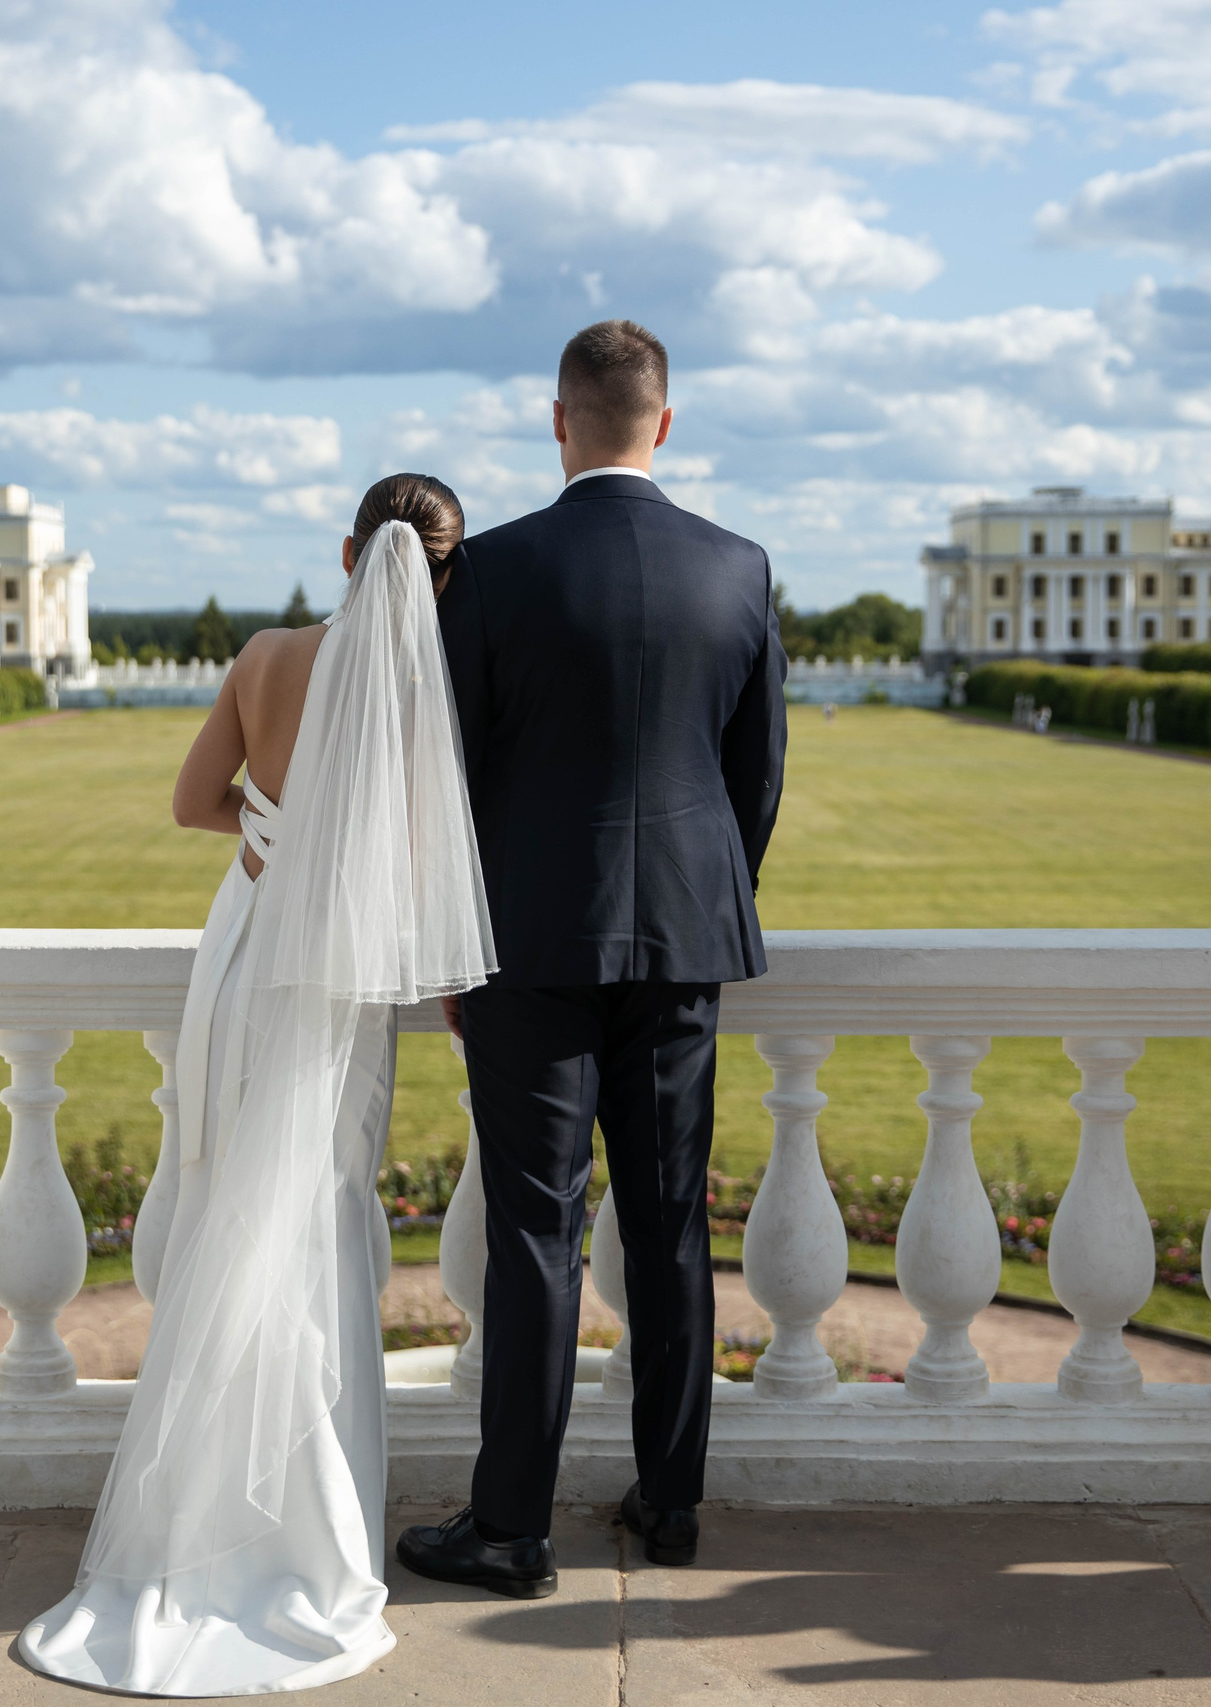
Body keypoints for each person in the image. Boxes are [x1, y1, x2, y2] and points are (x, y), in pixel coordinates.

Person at [16, 476, 495, 1696]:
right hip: (335, 983)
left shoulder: (269, 652)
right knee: (320, 1221)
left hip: (241, 955)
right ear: (444, 573)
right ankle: (299, 1519)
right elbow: (428, 873)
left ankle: (205, 1514)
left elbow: (193, 804)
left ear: (346, 551)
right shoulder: (415, 686)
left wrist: (266, 831)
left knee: (236, 1208)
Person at [398, 319, 787, 1598]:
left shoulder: (494, 572)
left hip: (524, 946)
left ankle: (510, 1528)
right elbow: (755, 782)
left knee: (534, 1234)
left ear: (557, 420)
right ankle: (670, 1505)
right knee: (672, 1224)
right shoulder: (739, 568)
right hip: (680, 945)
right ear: (661, 424)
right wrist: (691, 903)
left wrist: (450, 946)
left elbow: (441, 780)